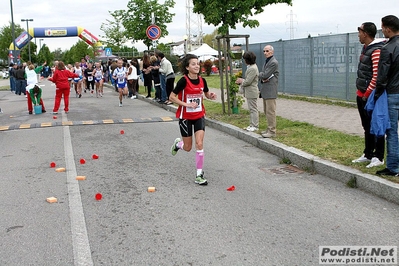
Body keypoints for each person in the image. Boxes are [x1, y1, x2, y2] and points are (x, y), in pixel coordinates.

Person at [169, 54, 217, 185]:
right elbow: (172, 97)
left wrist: (210, 95)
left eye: (198, 63)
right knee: (188, 147)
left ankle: (199, 174)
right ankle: (178, 144)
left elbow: (206, 93)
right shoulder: (183, 81)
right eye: (193, 64)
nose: (197, 66)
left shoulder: (202, 80)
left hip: (199, 115)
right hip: (185, 117)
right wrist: (186, 104)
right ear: (187, 67)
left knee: (200, 144)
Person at [352, 22, 386, 168]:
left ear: (365, 33)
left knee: (376, 126)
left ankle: (378, 156)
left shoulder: (376, 50)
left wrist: (367, 93)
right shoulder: (366, 48)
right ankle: (368, 154)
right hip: (361, 94)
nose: (358, 34)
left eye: (359, 31)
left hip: (370, 96)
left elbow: (376, 76)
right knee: (367, 126)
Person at [374, 15, 399, 176]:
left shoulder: (387, 48)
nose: (382, 30)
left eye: (382, 27)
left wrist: (376, 94)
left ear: (388, 29)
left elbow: (382, 76)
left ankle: (393, 167)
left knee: (391, 131)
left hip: (392, 93)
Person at [235, 51, 260, 132]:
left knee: (253, 109)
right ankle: (252, 124)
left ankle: (255, 125)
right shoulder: (251, 67)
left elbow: (248, 81)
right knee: (251, 109)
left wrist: (241, 81)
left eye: (245, 59)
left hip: (252, 91)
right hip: (250, 91)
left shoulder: (253, 68)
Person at [259, 45, 279, 138]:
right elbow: (264, 75)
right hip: (266, 89)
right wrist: (263, 78)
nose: (265, 53)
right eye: (264, 51)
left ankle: (272, 131)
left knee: (271, 111)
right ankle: (269, 128)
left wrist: (261, 75)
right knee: (266, 110)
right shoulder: (267, 61)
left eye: (267, 51)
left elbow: (265, 74)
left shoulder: (273, 62)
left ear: (272, 52)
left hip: (270, 89)